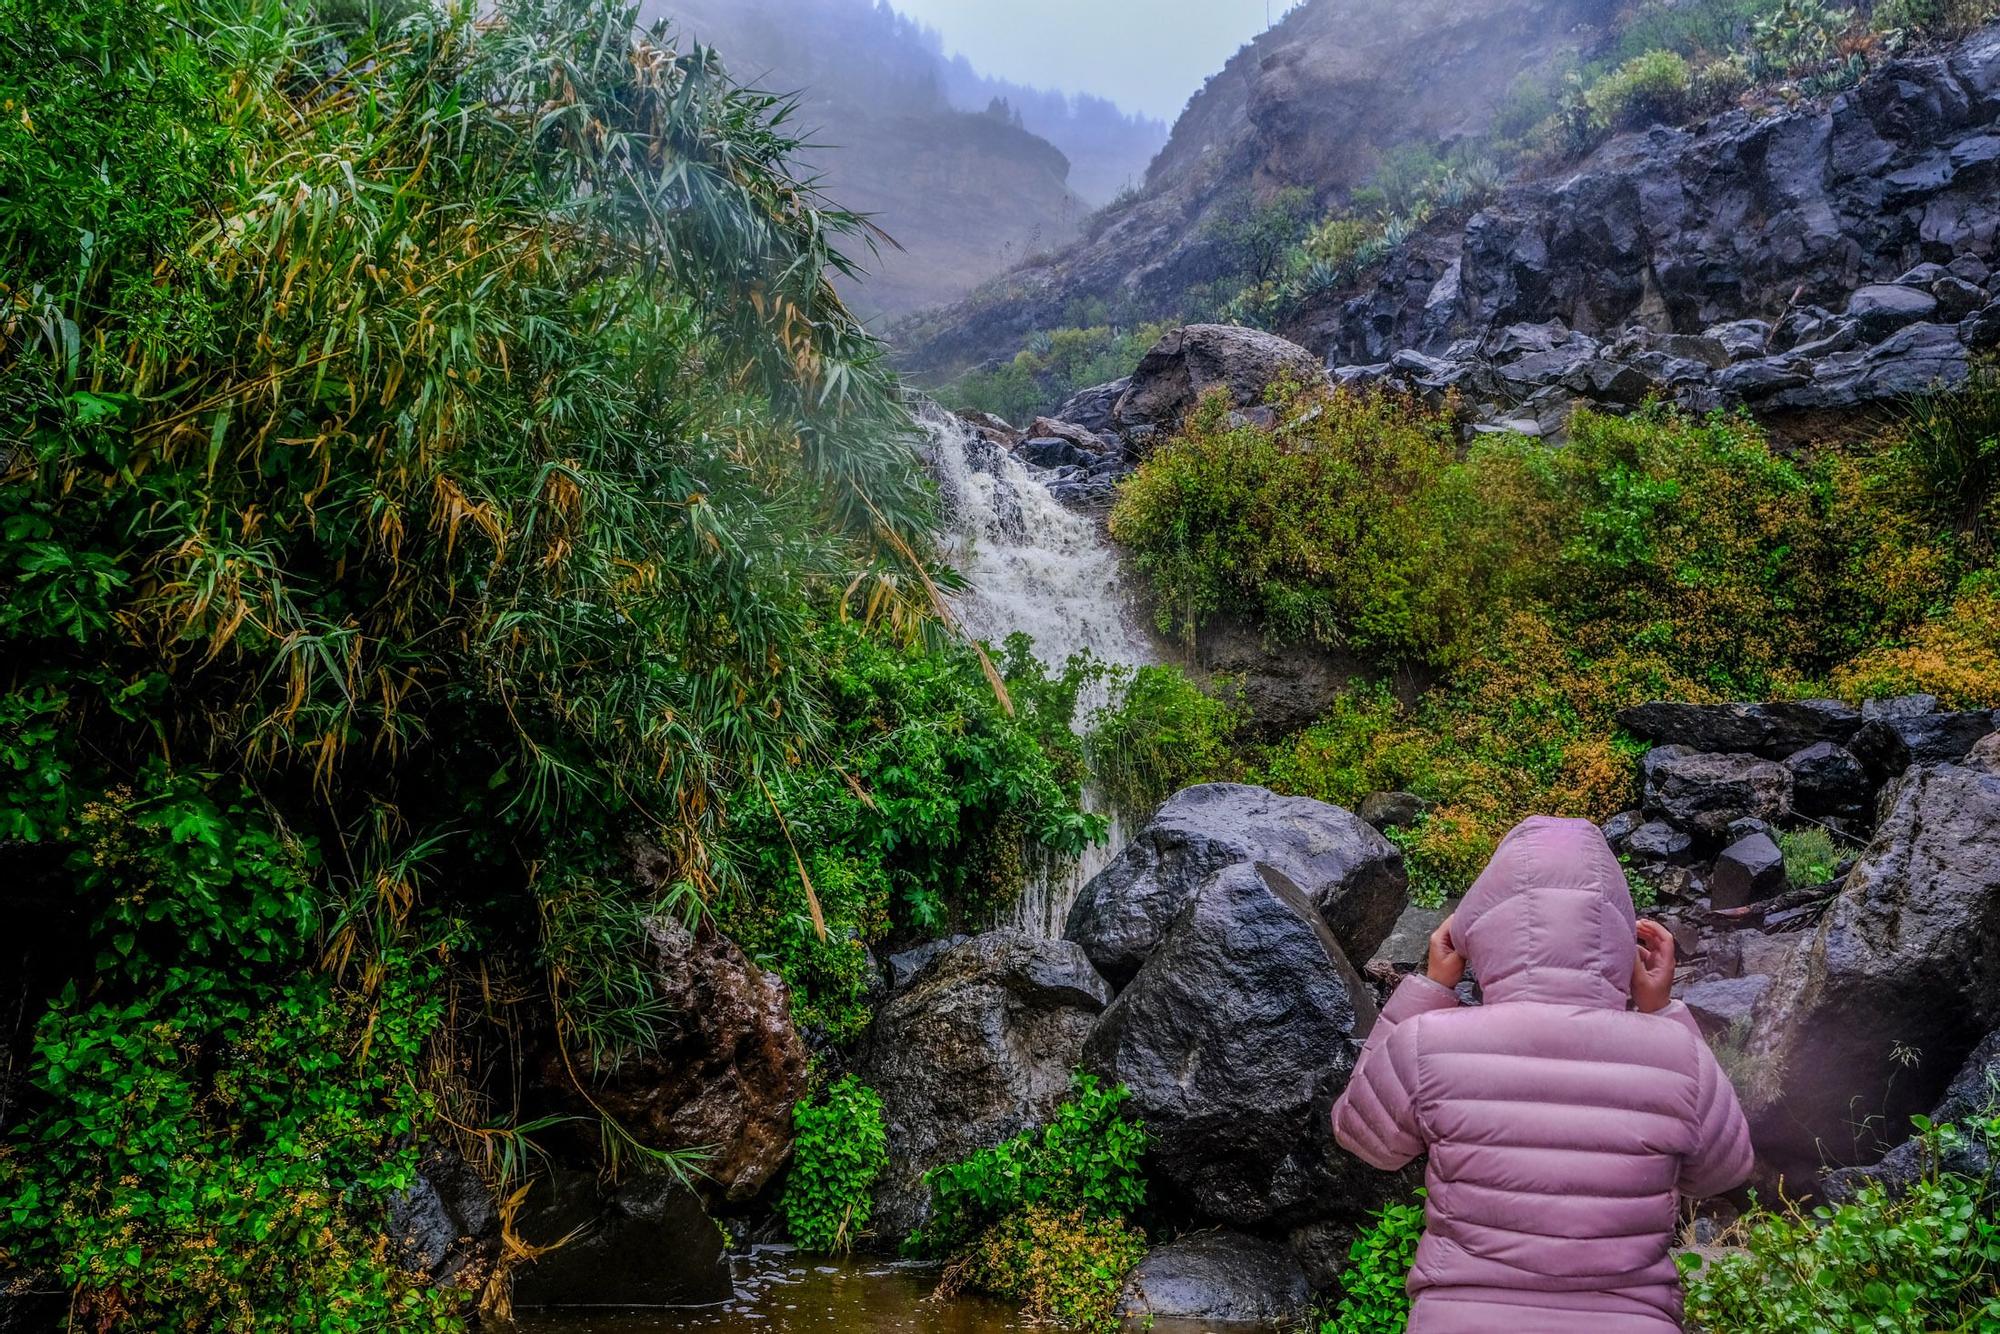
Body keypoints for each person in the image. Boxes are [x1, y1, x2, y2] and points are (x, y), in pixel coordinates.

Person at [1332, 815, 1754, 1333]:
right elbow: (1721, 1172)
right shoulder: (1678, 1055)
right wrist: (1663, 1012)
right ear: (1621, 936)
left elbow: (1363, 1136)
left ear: (1480, 931)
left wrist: (1430, 989)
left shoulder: (1429, 1043)